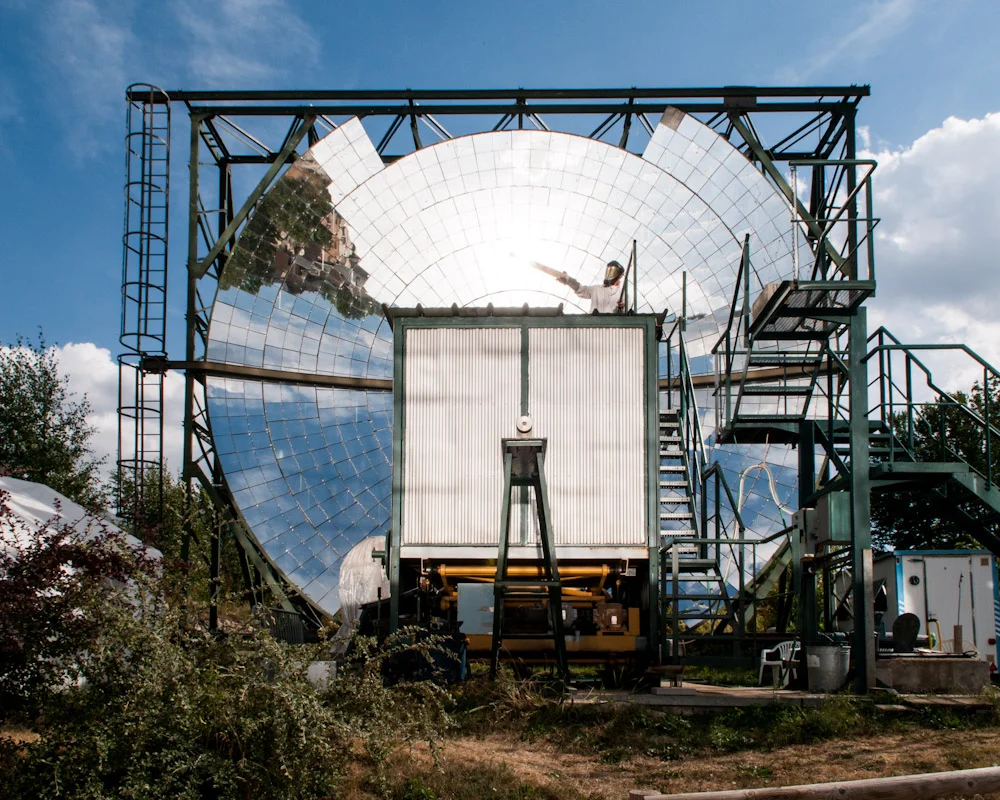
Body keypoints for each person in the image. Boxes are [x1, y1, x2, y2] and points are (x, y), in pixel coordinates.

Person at [557, 261, 626, 314]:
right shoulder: (596, 289)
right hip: (594, 326)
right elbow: (581, 290)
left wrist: (623, 307)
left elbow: (627, 314)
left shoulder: (623, 294)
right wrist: (569, 280)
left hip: (613, 327)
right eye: (608, 270)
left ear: (620, 276)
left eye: (613, 271)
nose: (610, 274)